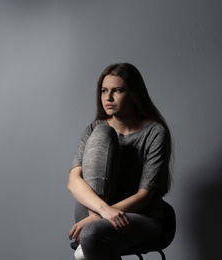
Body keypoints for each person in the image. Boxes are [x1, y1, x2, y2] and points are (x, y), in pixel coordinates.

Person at [67, 63, 172, 260]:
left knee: (91, 235)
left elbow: (144, 196)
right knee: (102, 132)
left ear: (134, 94)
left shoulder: (155, 132)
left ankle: (91, 238)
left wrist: (100, 217)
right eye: (104, 91)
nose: (108, 98)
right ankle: (93, 232)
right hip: (95, 211)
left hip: (139, 215)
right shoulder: (93, 129)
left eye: (117, 91)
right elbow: (73, 181)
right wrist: (101, 212)